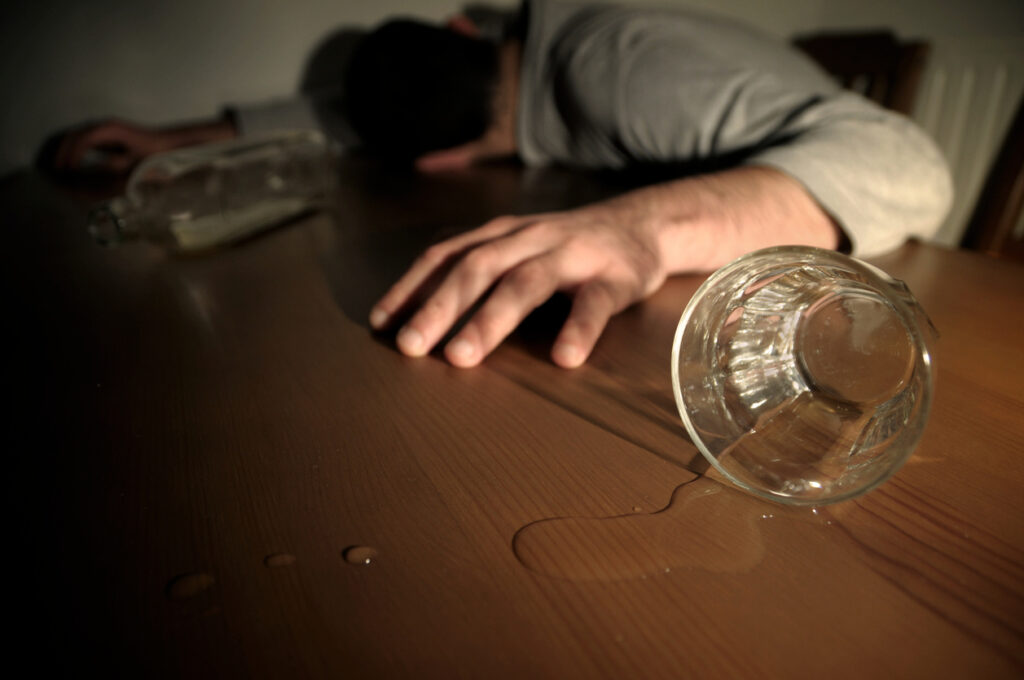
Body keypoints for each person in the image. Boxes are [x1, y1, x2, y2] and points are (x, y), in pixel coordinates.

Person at [50, 0, 953, 369]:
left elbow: (912, 162)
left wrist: (642, 227)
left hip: (881, 298)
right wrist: (172, 140)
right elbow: (330, 111)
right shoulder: (519, 61)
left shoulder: (611, 66)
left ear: (439, 160)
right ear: (462, 27)